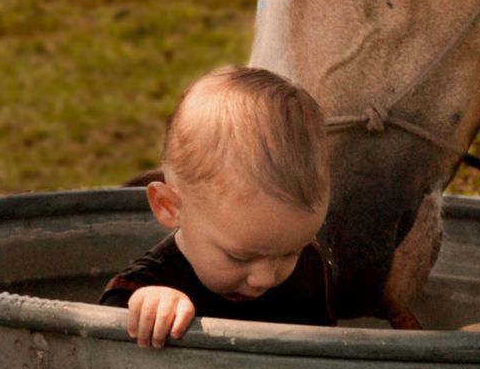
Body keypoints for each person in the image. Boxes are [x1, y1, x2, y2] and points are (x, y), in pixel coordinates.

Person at [100, 66, 335, 346]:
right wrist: (145, 308)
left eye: (290, 253)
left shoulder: (309, 268)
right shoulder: (146, 285)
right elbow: (99, 359)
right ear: (169, 206)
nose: (265, 278)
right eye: (239, 257)